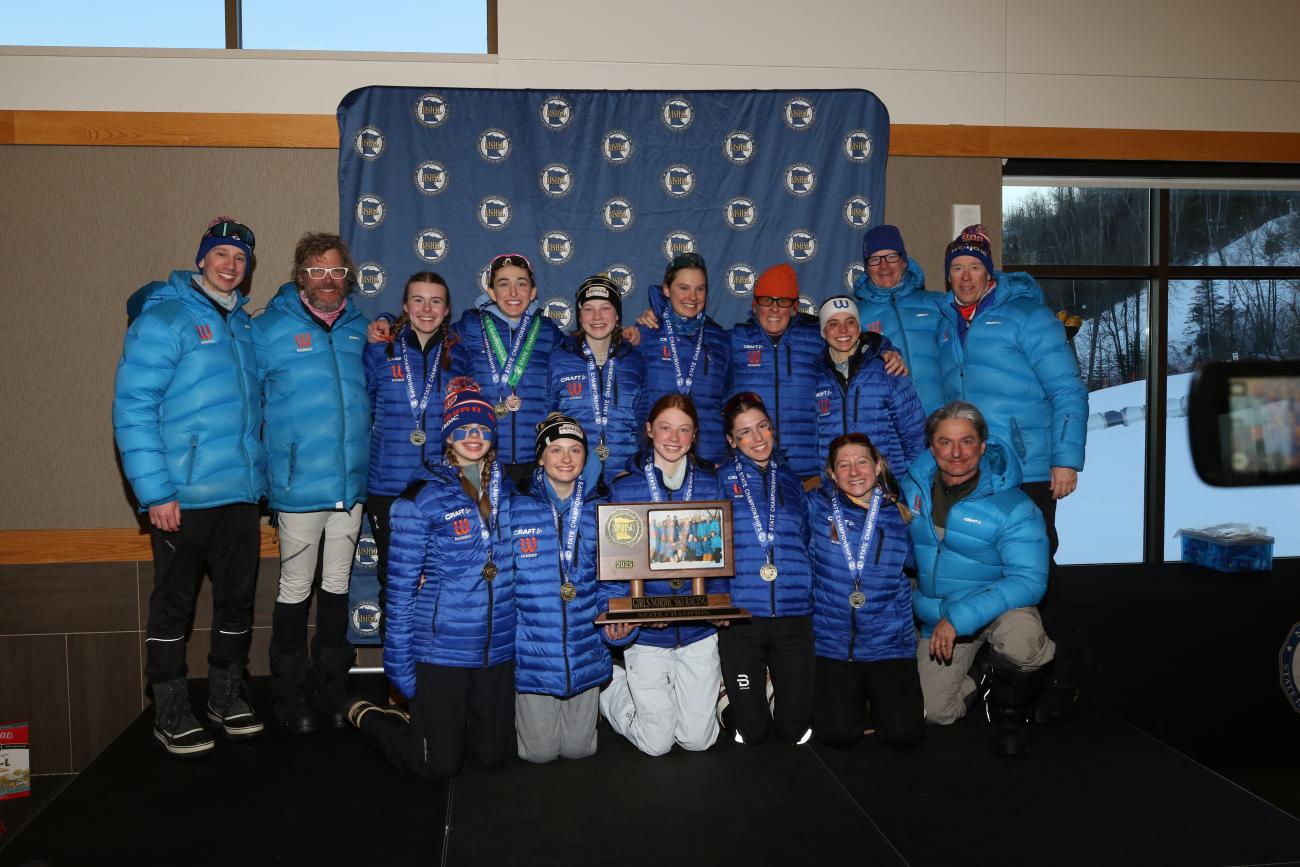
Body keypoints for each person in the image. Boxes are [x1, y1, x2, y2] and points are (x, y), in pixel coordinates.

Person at [112, 216, 266, 756]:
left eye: (240, 259)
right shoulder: (165, 318)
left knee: (237, 603)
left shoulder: (244, 328)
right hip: (182, 496)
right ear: (202, 258)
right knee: (174, 605)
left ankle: (226, 695)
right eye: (221, 254)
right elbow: (134, 408)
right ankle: (169, 705)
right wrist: (155, 492)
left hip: (241, 496)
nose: (230, 265)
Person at [349, 377, 517, 777]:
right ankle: (373, 718)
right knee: (436, 765)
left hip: (495, 647)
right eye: (463, 429)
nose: (473, 437)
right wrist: (399, 668)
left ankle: (431, 723)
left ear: (493, 435)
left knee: (493, 758)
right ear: (447, 436)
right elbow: (401, 591)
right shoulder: (419, 498)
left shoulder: (509, 490)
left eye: (481, 429)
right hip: (441, 648)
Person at [252, 232, 370, 734]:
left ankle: (332, 689)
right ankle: (289, 694)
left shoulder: (362, 328)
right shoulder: (267, 329)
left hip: (350, 488)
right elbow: (248, 409)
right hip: (299, 487)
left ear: (349, 276)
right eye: (318, 271)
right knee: (295, 589)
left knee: (338, 588)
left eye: (338, 271)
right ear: (301, 275)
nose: (329, 280)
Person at [902, 401, 1054, 757]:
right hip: (939, 611)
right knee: (935, 713)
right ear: (932, 446)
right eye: (945, 442)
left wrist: (960, 618)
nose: (956, 453)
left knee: (1023, 639)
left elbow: (1031, 581)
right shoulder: (913, 490)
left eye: (967, 442)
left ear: (983, 446)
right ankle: (983, 672)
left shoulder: (1014, 506)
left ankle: (1010, 704)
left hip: (996, 607)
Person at [935, 224, 1087, 559]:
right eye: (957, 268)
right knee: (980, 567)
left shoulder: (1029, 317)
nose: (965, 277)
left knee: (1031, 564)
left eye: (974, 267)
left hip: (1027, 467)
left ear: (988, 272)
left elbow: (1068, 390)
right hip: (971, 470)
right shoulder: (946, 325)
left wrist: (1065, 460)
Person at [600, 394, 726, 756]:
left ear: (694, 436)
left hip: (698, 630)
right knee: (656, 744)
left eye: (684, 430)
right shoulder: (624, 488)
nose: (674, 437)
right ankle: (610, 684)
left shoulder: (709, 485)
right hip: (647, 635)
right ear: (649, 430)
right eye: (666, 427)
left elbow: (721, 561)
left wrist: (715, 608)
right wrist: (627, 616)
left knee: (698, 741)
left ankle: (675, 698)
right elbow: (612, 565)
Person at [363, 272, 466, 638]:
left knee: (440, 584)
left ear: (447, 309)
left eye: (436, 301)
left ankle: (432, 680)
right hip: (388, 489)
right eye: (418, 300)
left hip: (440, 490)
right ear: (405, 307)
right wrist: (383, 323)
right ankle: (398, 690)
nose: (427, 308)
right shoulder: (379, 349)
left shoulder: (459, 354)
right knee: (396, 585)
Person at [805, 432, 924, 750]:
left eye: (862, 462)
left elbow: (926, 566)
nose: (854, 472)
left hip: (889, 643)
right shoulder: (815, 508)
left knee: (903, 736)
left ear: (878, 465)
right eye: (843, 465)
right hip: (832, 644)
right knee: (837, 736)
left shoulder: (901, 516)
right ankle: (857, 703)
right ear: (831, 473)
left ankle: (880, 704)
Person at [715, 392, 815, 746]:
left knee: (795, 731)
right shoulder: (718, 481)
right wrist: (718, 600)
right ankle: (730, 697)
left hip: (792, 612)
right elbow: (707, 549)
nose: (757, 439)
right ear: (731, 440)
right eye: (745, 432)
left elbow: (805, 537)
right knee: (750, 732)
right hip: (743, 613)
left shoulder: (790, 479)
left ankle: (774, 687)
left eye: (763, 427)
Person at [511, 414, 609, 763]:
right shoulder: (514, 509)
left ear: (587, 458)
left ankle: (617, 693)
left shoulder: (600, 511)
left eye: (575, 450)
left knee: (580, 750)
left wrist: (613, 621)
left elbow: (612, 580)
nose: (566, 459)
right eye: (556, 450)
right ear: (541, 457)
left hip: (585, 649)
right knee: (538, 754)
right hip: (533, 652)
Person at [452, 253, 564, 486]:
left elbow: (586, 347)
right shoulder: (470, 327)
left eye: (521, 284)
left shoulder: (547, 331)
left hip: (535, 456)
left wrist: (625, 335)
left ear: (533, 292)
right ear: (491, 292)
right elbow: (425, 331)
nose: (513, 293)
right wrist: (385, 319)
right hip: (483, 453)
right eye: (504, 284)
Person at [727, 264, 838, 480]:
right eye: (767, 300)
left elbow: (855, 341)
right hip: (750, 471)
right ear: (755, 304)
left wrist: (885, 349)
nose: (775, 308)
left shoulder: (817, 339)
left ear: (795, 307)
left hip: (808, 473)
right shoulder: (735, 340)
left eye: (783, 301)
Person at [546, 275, 645, 488]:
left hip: (626, 474)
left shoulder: (634, 360)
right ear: (579, 316)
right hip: (574, 476)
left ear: (618, 315)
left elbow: (644, 422)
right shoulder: (558, 359)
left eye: (606, 308)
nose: (597, 316)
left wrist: (636, 468)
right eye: (588, 309)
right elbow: (547, 418)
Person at [815, 296, 927, 479]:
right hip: (838, 490)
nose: (843, 330)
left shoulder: (888, 369)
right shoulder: (816, 377)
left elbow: (915, 438)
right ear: (823, 332)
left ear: (859, 327)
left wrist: (910, 484)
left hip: (887, 489)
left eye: (850, 322)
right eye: (833, 323)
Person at [634, 253, 732, 464]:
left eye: (700, 289)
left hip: (709, 457)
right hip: (656, 456)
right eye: (684, 288)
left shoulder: (720, 339)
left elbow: (727, 399)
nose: (693, 297)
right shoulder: (645, 333)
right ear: (667, 289)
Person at [851, 225, 947, 414]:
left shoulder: (938, 304)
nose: (884, 266)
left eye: (891, 256)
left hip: (941, 423)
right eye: (875, 259)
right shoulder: (854, 316)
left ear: (904, 261)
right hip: (890, 425)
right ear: (866, 268)